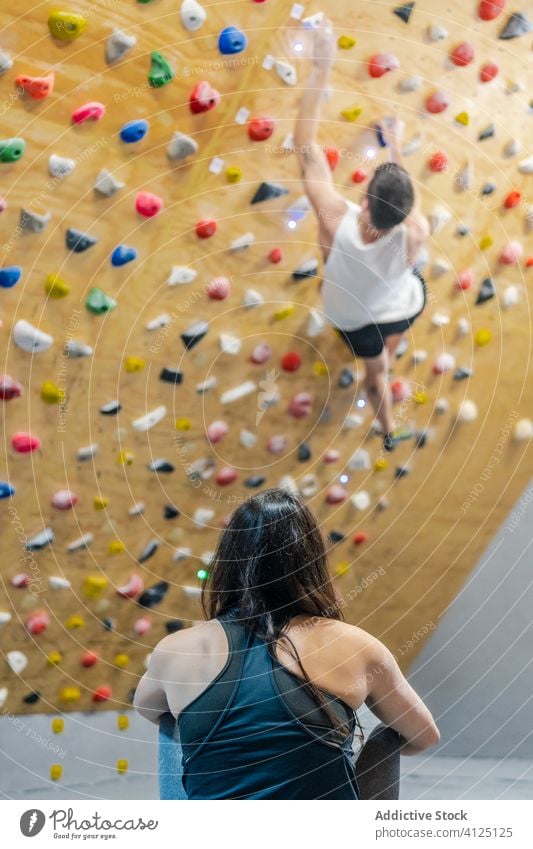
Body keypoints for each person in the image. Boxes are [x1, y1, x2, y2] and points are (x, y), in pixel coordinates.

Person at [134, 488, 440, 800]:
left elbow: (147, 707)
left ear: (229, 563)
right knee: (385, 727)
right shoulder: (358, 646)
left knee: (173, 720)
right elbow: (424, 736)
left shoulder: (176, 649)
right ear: (312, 561)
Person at [293, 19, 430, 452]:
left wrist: (322, 69)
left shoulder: (335, 218)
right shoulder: (414, 233)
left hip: (355, 321)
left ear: (365, 202)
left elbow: (305, 146)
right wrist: (396, 148)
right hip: (407, 304)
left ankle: (388, 429)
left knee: (376, 378)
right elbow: (409, 201)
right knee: (386, 355)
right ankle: (390, 416)